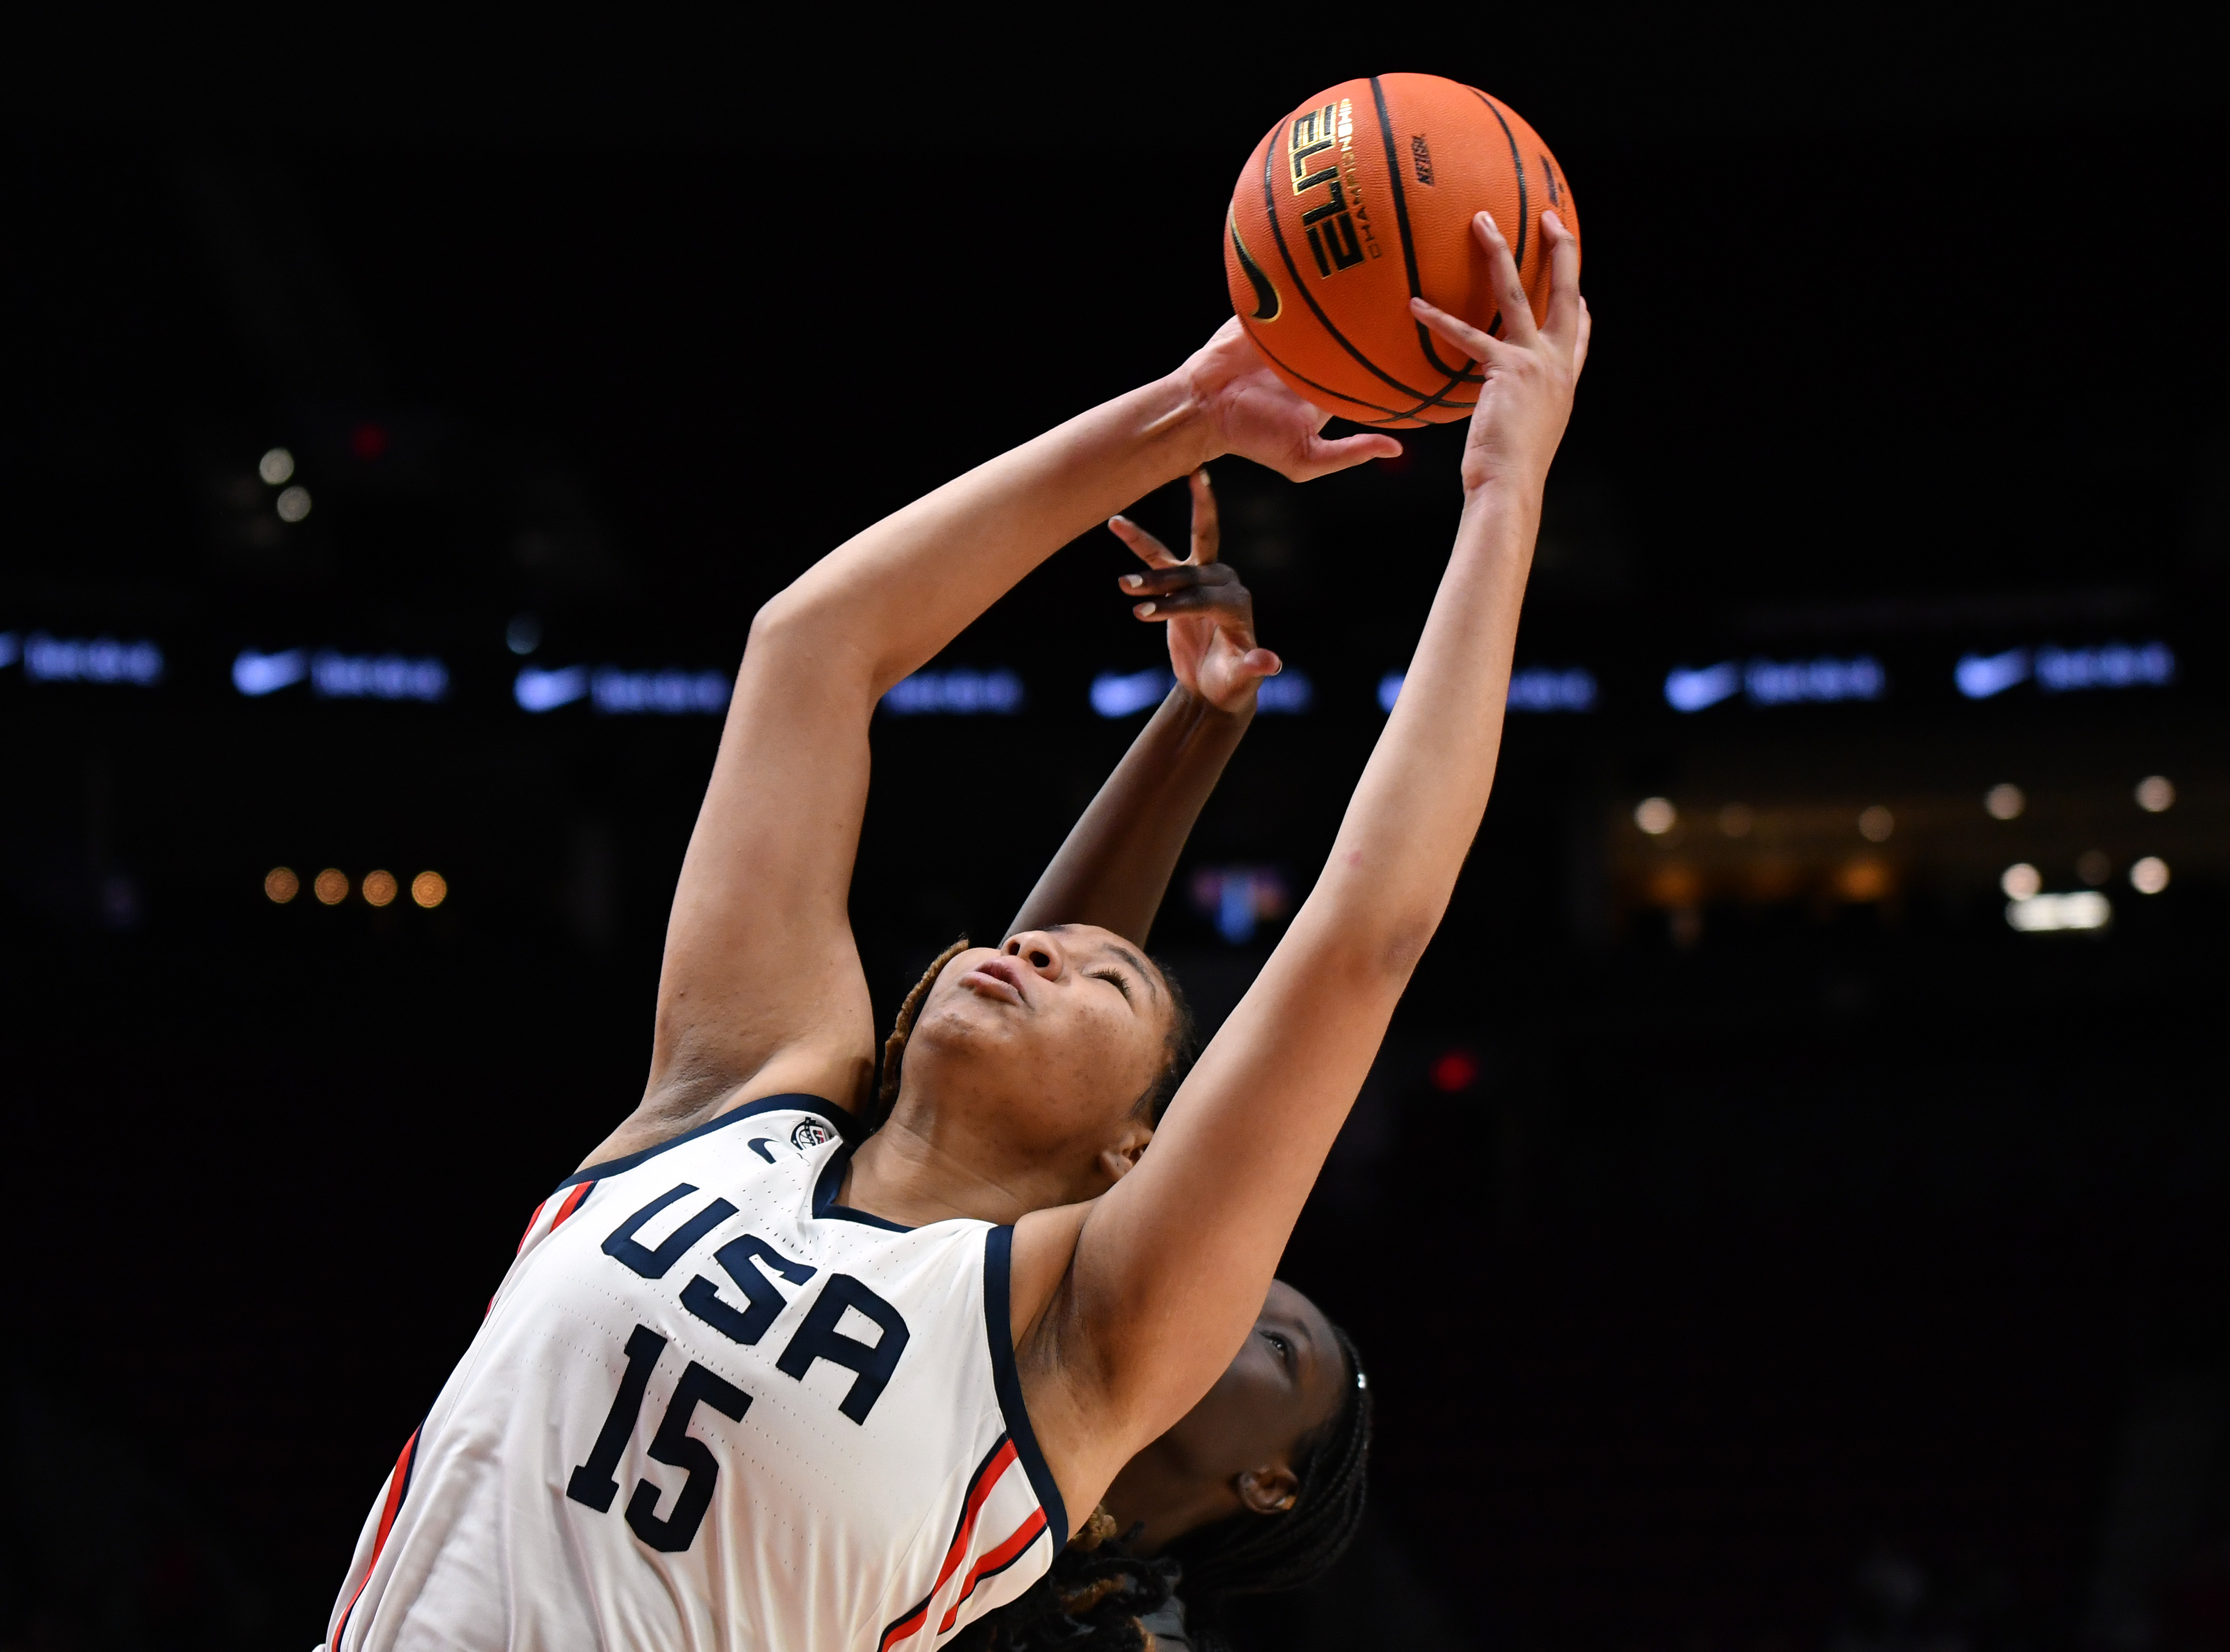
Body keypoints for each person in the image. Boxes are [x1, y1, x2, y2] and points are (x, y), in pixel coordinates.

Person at [320, 202, 1584, 1651]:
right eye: (1057, 942)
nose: (1046, 946)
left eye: (1113, 976)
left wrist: (1502, 492)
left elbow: (1364, 931)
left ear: (1132, 1152)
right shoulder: (736, 1094)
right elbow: (809, 651)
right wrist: (1187, 412)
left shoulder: (1066, 1360)